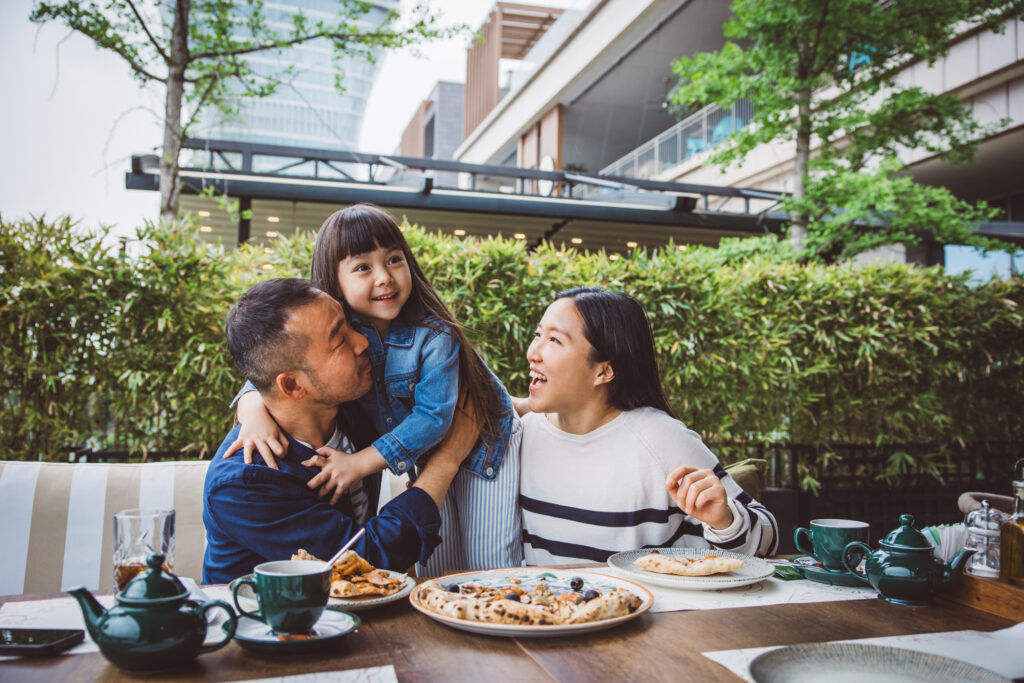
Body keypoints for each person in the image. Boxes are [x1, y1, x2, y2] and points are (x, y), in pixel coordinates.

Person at [229, 204, 522, 574]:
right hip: (430, 455)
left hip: (484, 445)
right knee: (437, 570)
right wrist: (252, 410)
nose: (385, 277)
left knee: (489, 565)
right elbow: (274, 367)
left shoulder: (433, 335)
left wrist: (358, 463)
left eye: (395, 260)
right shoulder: (336, 327)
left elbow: (434, 416)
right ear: (334, 282)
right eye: (363, 267)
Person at [202, 278, 478, 584]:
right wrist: (447, 458)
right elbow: (365, 559)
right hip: (261, 624)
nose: (362, 342)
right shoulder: (245, 484)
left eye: (350, 324)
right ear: (294, 386)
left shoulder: (351, 407)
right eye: (339, 341)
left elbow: (266, 376)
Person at [519, 287, 778, 564]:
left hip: (654, 606)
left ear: (603, 371)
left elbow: (769, 538)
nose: (533, 352)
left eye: (555, 340)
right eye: (538, 335)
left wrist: (725, 520)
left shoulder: (660, 438)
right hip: (544, 604)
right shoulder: (523, 433)